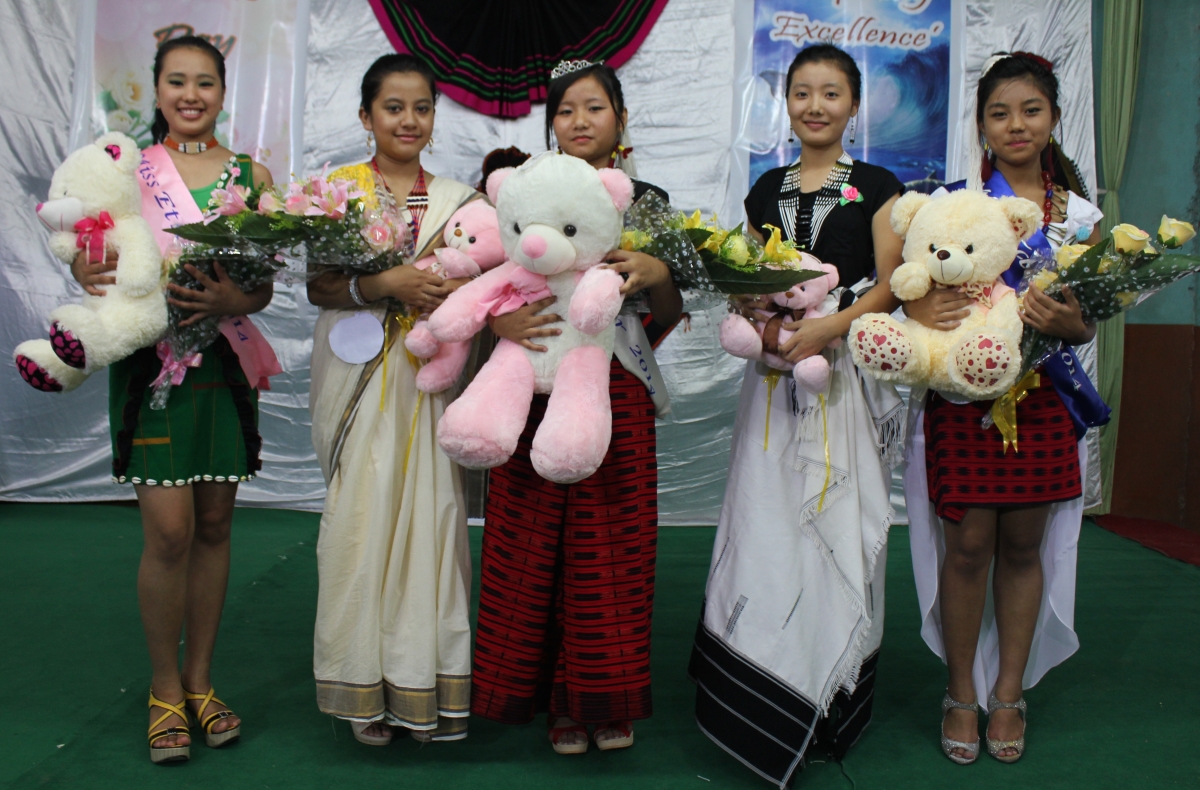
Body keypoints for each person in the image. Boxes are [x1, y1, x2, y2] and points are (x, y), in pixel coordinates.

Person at [687, 44, 905, 787]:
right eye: (803, 92)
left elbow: (892, 283)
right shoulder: (765, 187)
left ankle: (833, 698)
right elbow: (746, 279)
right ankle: (761, 692)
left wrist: (828, 329)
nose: (816, 105)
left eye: (831, 92)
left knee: (832, 521)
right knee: (767, 523)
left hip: (840, 377)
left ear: (854, 105)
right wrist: (762, 320)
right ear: (786, 104)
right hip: (773, 379)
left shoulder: (878, 187)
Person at [71, 36, 277, 764]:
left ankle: (200, 681)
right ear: (156, 89)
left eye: (205, 83)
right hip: (150, 369)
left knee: (215, 525)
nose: (191, 95)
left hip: (222, 363)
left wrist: (233, 299)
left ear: (223, 91)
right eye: (178, 82)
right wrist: (86, 267)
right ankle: (163, 688)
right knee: (168, 534)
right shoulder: (127, 172)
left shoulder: (252, 177)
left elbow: (261, 287)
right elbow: (92, 253)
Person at [469, 60, 681, 755]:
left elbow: (669, 312)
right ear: (550, 122)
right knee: (530, 543)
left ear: (621, 117)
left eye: (595, 107)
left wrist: (658, 274)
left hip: (614, 387)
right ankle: (546, 701)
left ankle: (601, 699)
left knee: (611, 545)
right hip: (531, 383)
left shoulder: (646, 203)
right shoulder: (521, 189)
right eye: (566, 110)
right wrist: (498, 323)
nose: (580, 121)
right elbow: (486, 284)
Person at [902, 51, 1104, 765]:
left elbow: (1087, 320)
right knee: (966, 547)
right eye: (999, 113)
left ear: (1054, 119)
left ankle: (1010, 693)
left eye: (1031, 110)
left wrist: (1071, 325)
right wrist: (923, 309)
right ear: (981, 126)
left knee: (1023, 547)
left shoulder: (1080, 218)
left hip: (1044, 400)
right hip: (963, 399)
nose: (1016, 125)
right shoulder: (953, 203)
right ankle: (961, 690)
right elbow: (914, 294)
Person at [306, 53, 483, 747]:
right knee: (361, 519)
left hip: (431, 379)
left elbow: (483, 283)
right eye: (393, 107)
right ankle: (362, 689)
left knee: (432, 518)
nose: (409, 120)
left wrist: (450, 293)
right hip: (357, 379)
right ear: (366, 116)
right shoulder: (338, 193)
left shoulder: (463, 201)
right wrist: (385, 286)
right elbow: (320, 286)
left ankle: (423, 683)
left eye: (421, 108)